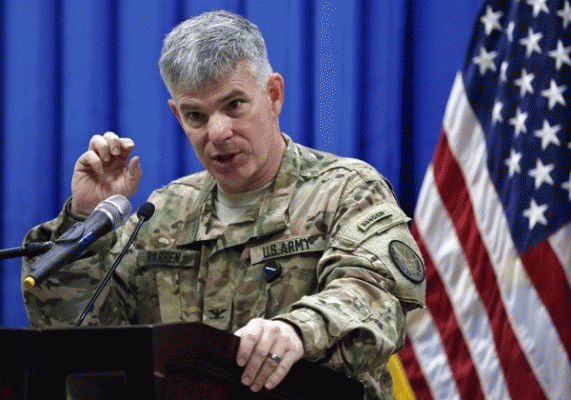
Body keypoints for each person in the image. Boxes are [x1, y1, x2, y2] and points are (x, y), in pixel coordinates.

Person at [21, 10, 425, 400]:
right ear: (177, 115)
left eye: (234, 105)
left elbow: (376, 299)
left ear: (273, 95)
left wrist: (297, 331)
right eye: (196, 115)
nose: (217, 132)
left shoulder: (347, 191)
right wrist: (85, 223)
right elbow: (82, 339)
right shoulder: (163, 213)